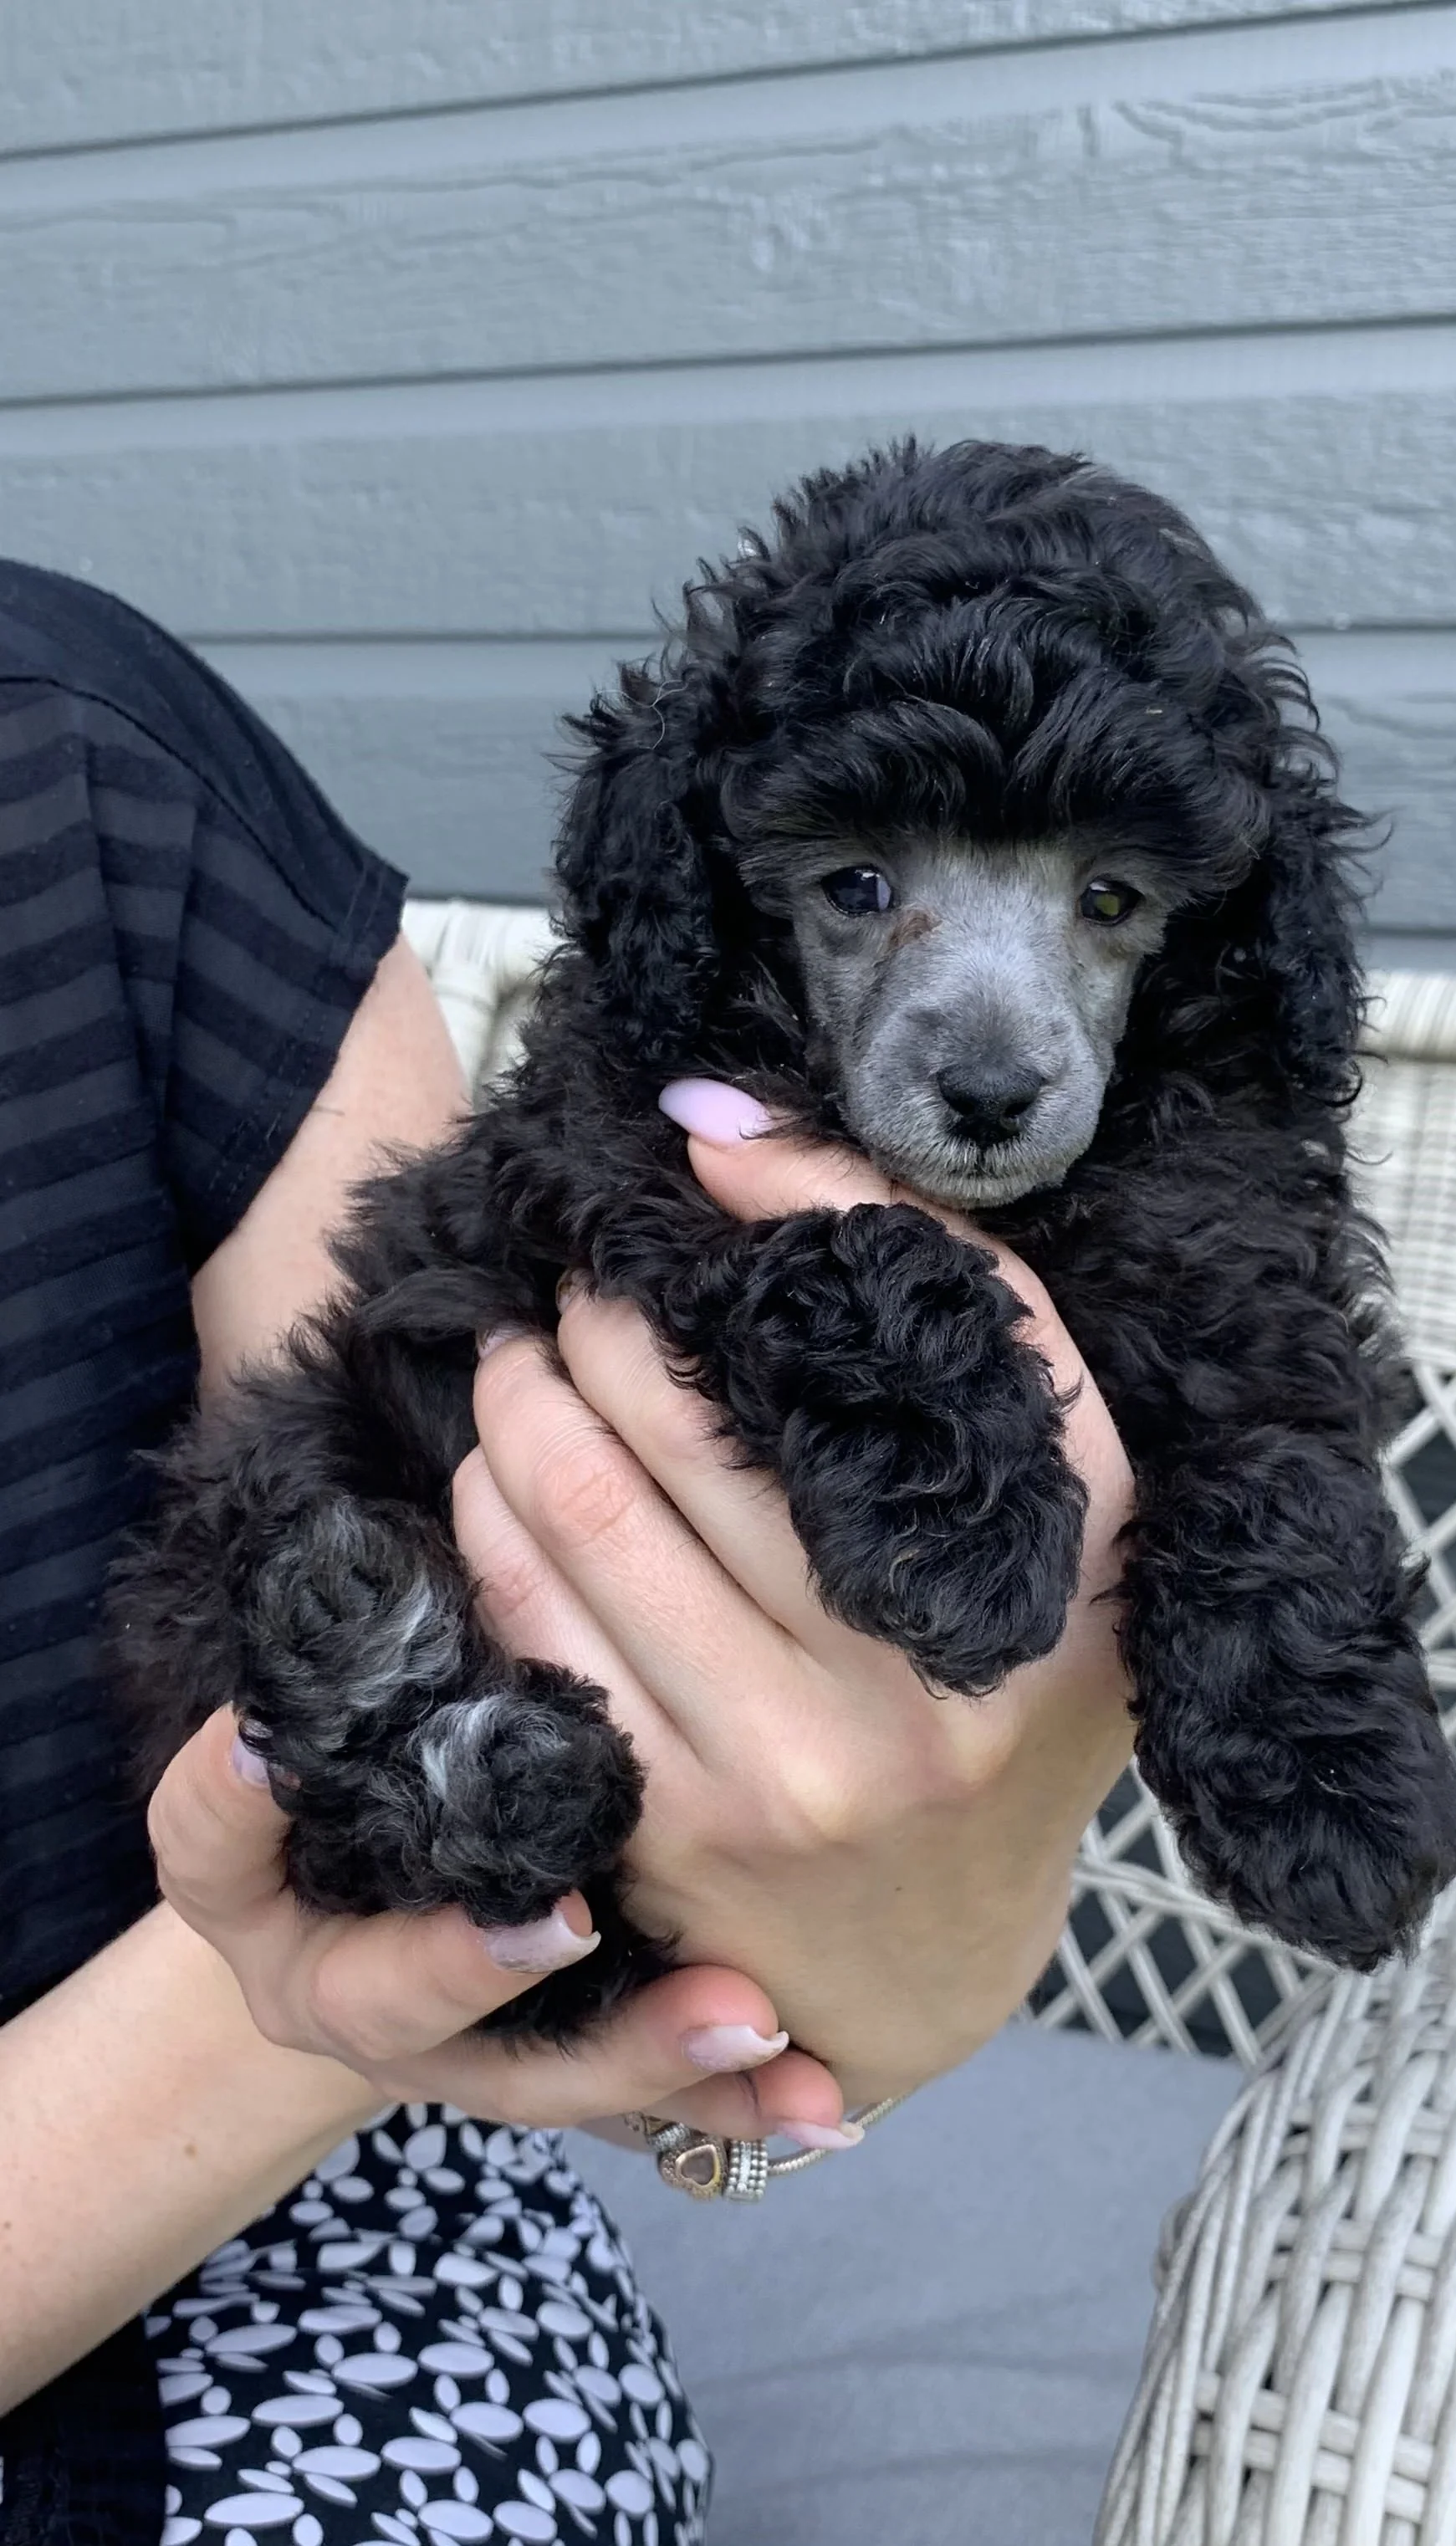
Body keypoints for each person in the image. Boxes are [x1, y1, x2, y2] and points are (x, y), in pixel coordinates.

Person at [0, 560, 1137, 2546]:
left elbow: (431, 1496)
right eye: (860, 886)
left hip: (295, 2230)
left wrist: (915, 1903)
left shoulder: (103, 770)